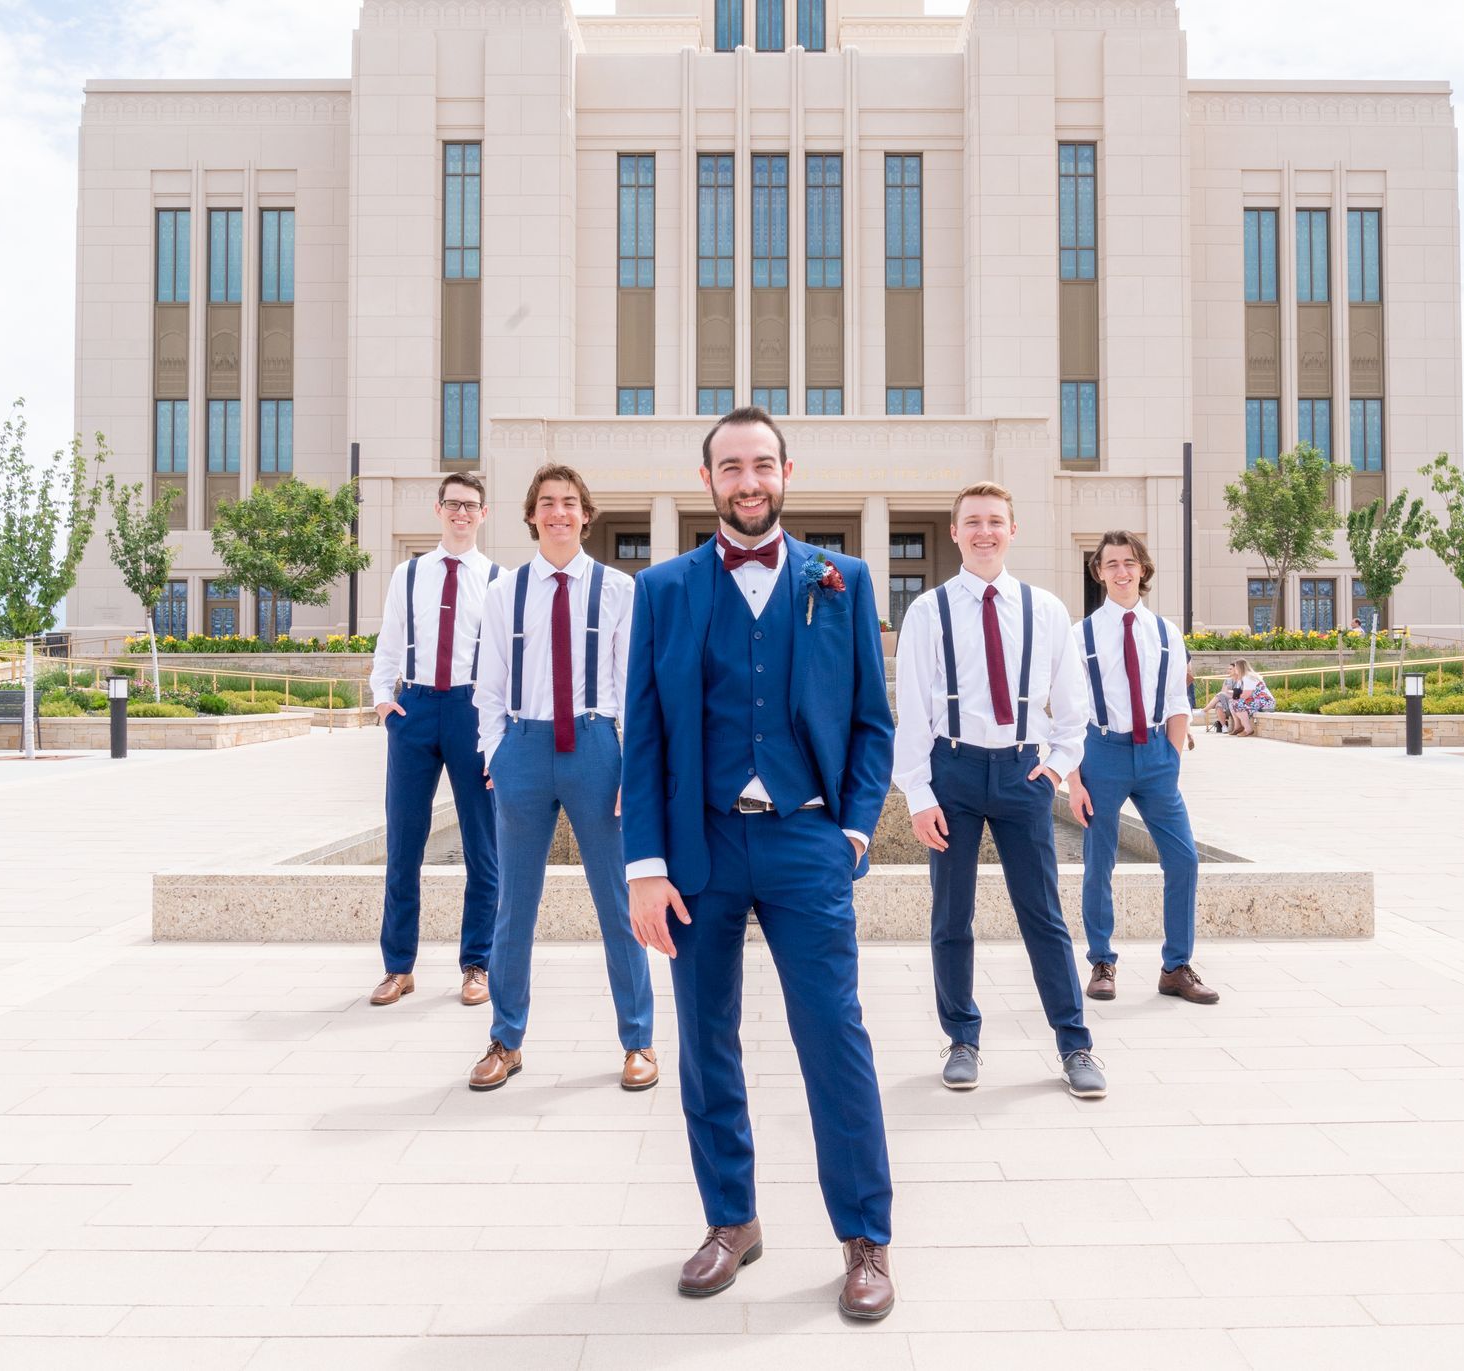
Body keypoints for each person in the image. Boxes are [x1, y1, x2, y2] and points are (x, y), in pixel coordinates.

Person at [623, 407, 897, 1320]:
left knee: (835, 1036)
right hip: (697, 848)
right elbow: (647, 735)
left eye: (763, 464)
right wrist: (644, 865)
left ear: (788, 472)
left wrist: (853, 830)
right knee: (705, 1042)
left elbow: (871, 721)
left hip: (804, 839)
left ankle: (865, 1236)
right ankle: (730, 1221)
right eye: (731, 466)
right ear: (708, 480)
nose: (749, 480)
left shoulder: (842, 580)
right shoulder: (662, 589)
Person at [894, 481, 1103, 1099]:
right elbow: (910, 711)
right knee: (950, 915)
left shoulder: (1046, 611)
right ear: (955, 532)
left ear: (1014, 531)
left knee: (1043, 914)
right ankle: (962, 1037)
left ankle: (1075, 1043)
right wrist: (918, 795)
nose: (984, 532)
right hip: (951, 771)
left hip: (1021, 773)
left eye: (995, 521)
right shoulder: (927, 611)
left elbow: (1071, 706)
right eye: (972, 522)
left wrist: (1058, 763)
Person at [468, 464, 656, 1093]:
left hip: (597, 747)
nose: (558, 513)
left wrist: (635, 766)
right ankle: (506, 1039)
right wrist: (496, 753)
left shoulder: (617, 590)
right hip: (522, 746)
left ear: (585, 514)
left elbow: (636, 688)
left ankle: (638, 1040)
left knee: (619, 901)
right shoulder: (504, 592)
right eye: (547, 503)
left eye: (569, 503)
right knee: (512, 906)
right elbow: (488, 686)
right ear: (531, 515)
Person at [366, 472, 503, 1008]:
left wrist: (500, 736)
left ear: (484, 514)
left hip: (472, 712)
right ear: (438, 509)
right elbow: (389, 641)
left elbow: (506, 664)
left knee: (482, 848)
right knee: (403, 843)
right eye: (453, 504)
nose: (461, 513)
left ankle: (477, 965)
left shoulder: (498, 578)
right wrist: (384, 704)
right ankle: (398, 967)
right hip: (416, 709)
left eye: (470, 506)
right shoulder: (410, 573)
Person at [1068, 530, 1220, 1008]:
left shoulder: (1165, 632)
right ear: (1099, 572)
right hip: (1102, 753)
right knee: (1099, 862)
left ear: (1143, 569)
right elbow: (1068, 712)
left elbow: (1178, 699)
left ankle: (1176, 967)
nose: (1121, 571)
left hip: (1156, 754)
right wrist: (1073, 780)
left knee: (1184, 859)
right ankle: (1101, 961)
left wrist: (1170, 760)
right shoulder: (1080, 634)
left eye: (1129, 562)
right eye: (1111, 563)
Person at [1210, 659, 1275, 736]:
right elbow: (1237, 694)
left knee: (1237, 704)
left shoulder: (1249, 677)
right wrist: (1226, 692)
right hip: (1255, 700)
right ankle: (1238, 727)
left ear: (1240, 668)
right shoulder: (1241, 678)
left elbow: (1245, 695)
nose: (1235, 669)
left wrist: (1233, 696)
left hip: (1265, 701)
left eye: (1236, 667)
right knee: (1232, 702)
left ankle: (1248, 729)